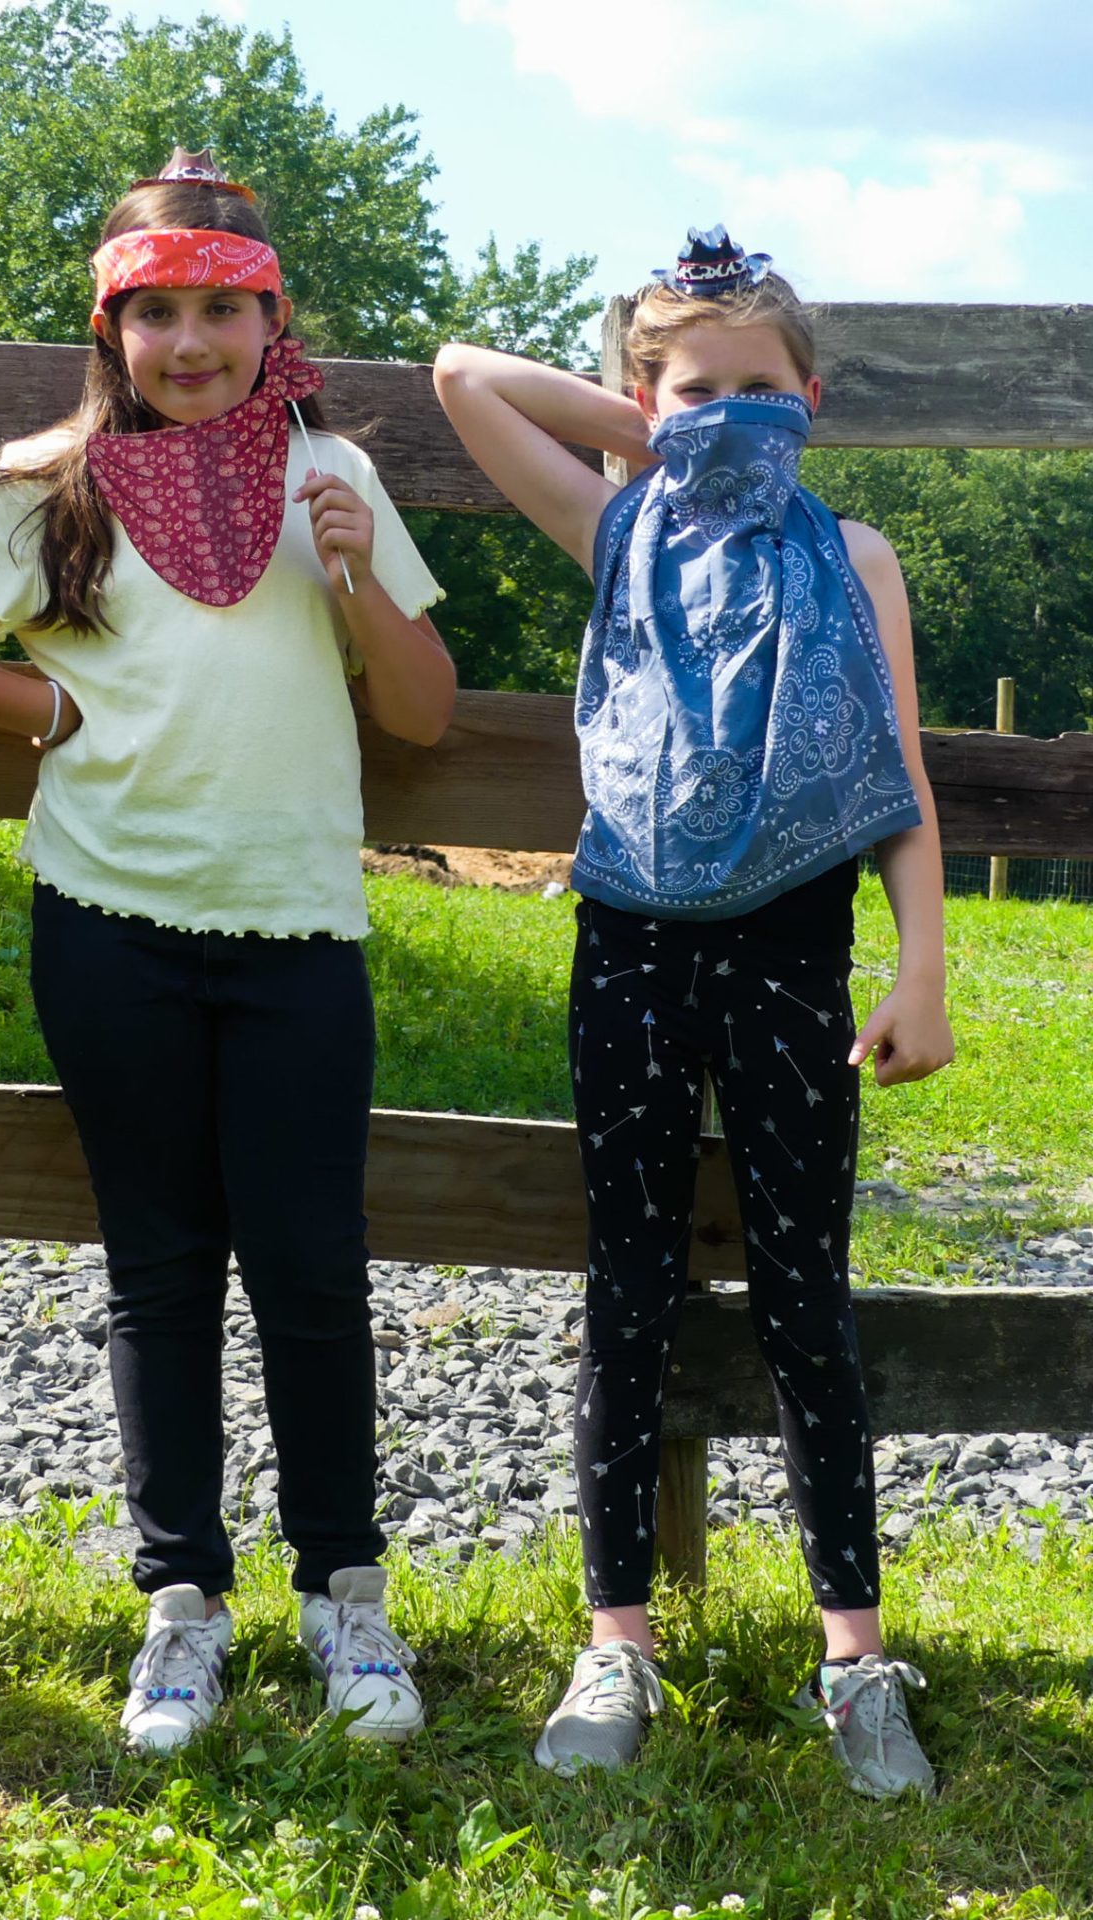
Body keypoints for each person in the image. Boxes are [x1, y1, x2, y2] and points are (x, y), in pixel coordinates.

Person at [0, 149, 455, 1753]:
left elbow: (427, 711)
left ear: (272, 320)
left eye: (224, 311)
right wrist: (36, 704)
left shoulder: (336, 475)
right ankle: (181, 1606)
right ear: (113, 328)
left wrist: (353, 582)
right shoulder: (53, 479)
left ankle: (346, 1598)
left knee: (314, 1267)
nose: (192, 343)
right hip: (109, 924)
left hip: (300, 927)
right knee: (161, 1269)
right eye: (158, 312)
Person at [434, 226, 953, 1796]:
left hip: (797, 956)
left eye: (757, 388)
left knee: (810, 1298)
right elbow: (462, 376)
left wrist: (919, 960)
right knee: (632, 1289)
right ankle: (617, 1642)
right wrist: (643, 426)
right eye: (692, 388)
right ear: (643, 401)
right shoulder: (617, 524)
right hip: (635, 951)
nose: (726, 412)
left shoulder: (854, 557)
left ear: (812, 396)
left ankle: (856, 1661)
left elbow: (898, 779)